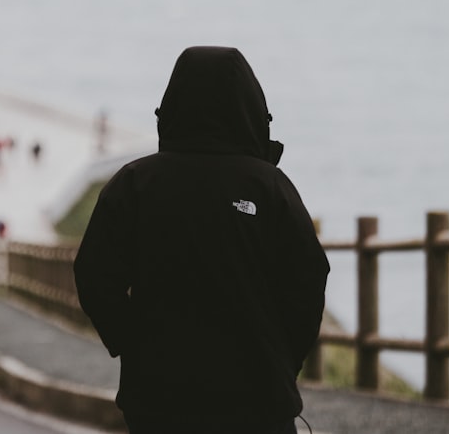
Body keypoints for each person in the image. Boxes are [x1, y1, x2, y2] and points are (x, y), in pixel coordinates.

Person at [73, 46, 329, 434]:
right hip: (259, 400)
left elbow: (93, 276)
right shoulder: (270, 187)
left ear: (171, 108)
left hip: (158, 399)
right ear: (252, 109)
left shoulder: (135, 184)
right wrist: (280, 359)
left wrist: (133, 343)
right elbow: (309, 283)